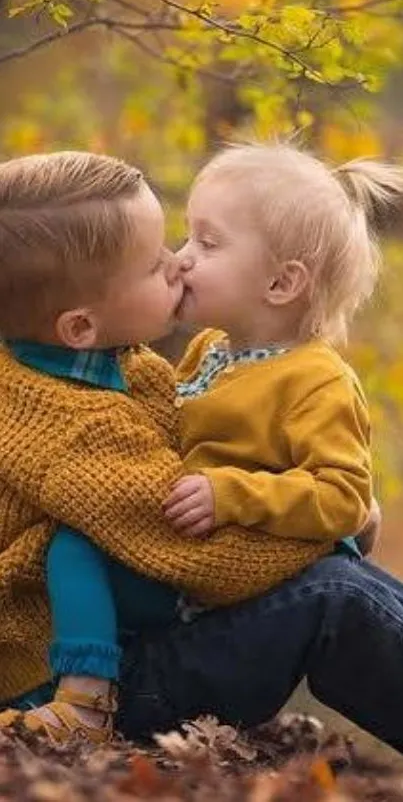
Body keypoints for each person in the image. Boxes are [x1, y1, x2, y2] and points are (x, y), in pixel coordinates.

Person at [0, 149, 340, 743]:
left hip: (128, 611)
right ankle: (84, 708)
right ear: (79, 325)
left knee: (351, 590)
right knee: (338, 591)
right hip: (48, 669)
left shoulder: (123, 363)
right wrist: (330, 526)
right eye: (154, 265)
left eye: (179, 246)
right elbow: (195, 556)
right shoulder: (70, 429)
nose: (179, 264)